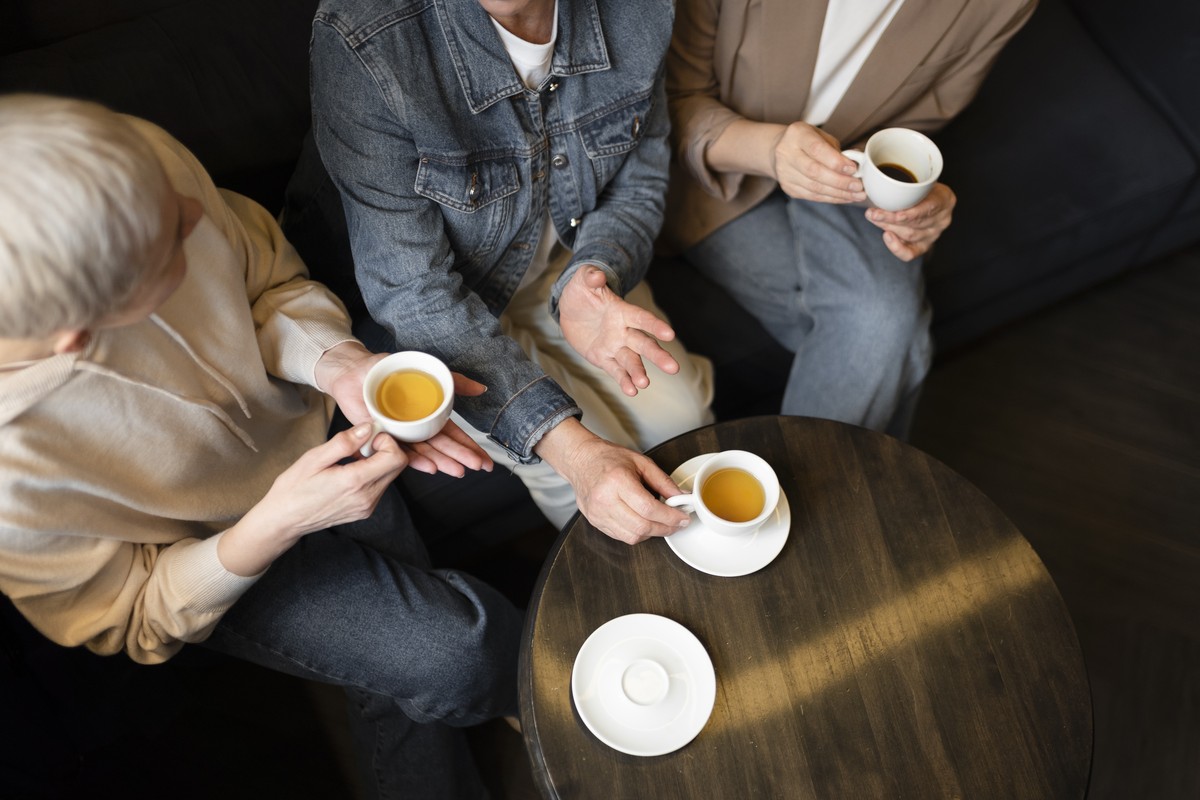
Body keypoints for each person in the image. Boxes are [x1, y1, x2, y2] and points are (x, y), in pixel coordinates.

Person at [0, 94, 522, 800]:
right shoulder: (11, 485)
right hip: (213, 558)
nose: (197, 209)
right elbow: (135, 616)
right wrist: (280, 522)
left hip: (317, 421)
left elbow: (267, 282)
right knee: (461, 653)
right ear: (79, 336)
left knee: (417, 666)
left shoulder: (146, 163)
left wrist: (335, 362)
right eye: (172, 242)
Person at [290, 0, 715, 544]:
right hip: (431, 298)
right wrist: (574, 453)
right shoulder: (366, 37)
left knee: (685, 421)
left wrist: (595, 271)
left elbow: (640, 182)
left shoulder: (640, 10)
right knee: (581, 474)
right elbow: (412, 291)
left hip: (564, 256)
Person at [664, 0, 1037, 436]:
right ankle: (828, 482)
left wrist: (923, 195)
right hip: (719, 169)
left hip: (853, 179)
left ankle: (797, 481)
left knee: (881, 328)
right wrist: (772, 150)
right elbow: (672, 98)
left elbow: (914, 126)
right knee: (895, 337)